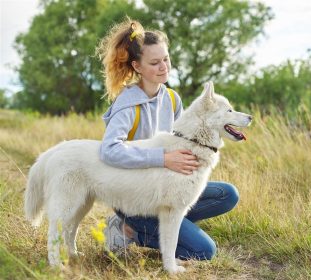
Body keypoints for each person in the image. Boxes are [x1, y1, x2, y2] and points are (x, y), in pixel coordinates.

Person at [95, 18, 239, 260]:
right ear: (137, 67)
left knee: (228, 194)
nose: (164, 67)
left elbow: (184, 144)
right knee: (204, 251)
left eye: (166, 59)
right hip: (134, 198)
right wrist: (163, 158)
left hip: (165, 189)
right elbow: (108, 151)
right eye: (154, 62)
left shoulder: (172, 99)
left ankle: (172, 224)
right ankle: (128, 229)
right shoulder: (127, 103)